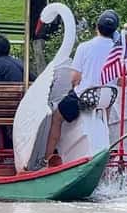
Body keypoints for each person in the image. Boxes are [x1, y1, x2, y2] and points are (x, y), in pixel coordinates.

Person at [41, 10, 119, 166]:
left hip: (86, 98)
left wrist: (75, 87)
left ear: (97, 26)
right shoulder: (118, 51)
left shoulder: (85, 47)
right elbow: (122, 80)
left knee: (57, 117)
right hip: (106, 100)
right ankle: (106, 150)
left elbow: (75, 77)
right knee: (105, 115)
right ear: (114, 31)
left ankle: (47, 160)